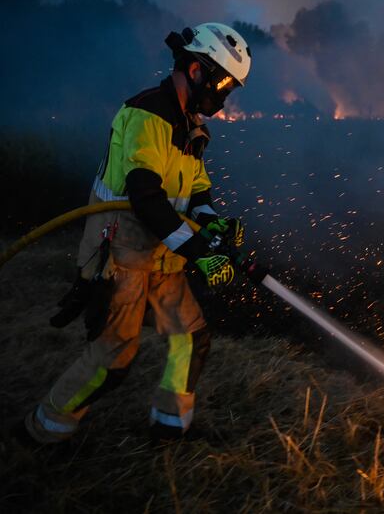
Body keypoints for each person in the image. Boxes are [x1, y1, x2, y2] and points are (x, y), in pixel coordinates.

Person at [24, 23, 252, 444]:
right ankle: (42, 431)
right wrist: (201, 251)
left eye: (230, 88)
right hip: (122, 255)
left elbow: (196, 192)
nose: (223, 96)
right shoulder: (146, 116)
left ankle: (170, 428)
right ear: (195, 68)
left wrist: (212, 220)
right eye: (223, 81)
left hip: (165, 254)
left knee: (192, 337)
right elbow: (146, 199)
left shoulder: (192, 127)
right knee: (114, 358)